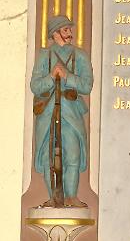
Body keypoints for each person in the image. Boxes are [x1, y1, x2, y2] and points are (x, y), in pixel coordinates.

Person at [30, 15, 93, 208]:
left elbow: (86, 85)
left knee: (72, 154)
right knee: (49, 156)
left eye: (69, 30)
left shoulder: (80, 56)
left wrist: (67, 76)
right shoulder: (44, 56)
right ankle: (53, 197)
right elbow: (35, 85)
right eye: (65, 30)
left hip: (71, 114)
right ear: (54, 33)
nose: (70, 34)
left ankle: (71, 196)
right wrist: (51, 77)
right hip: (48, 114)